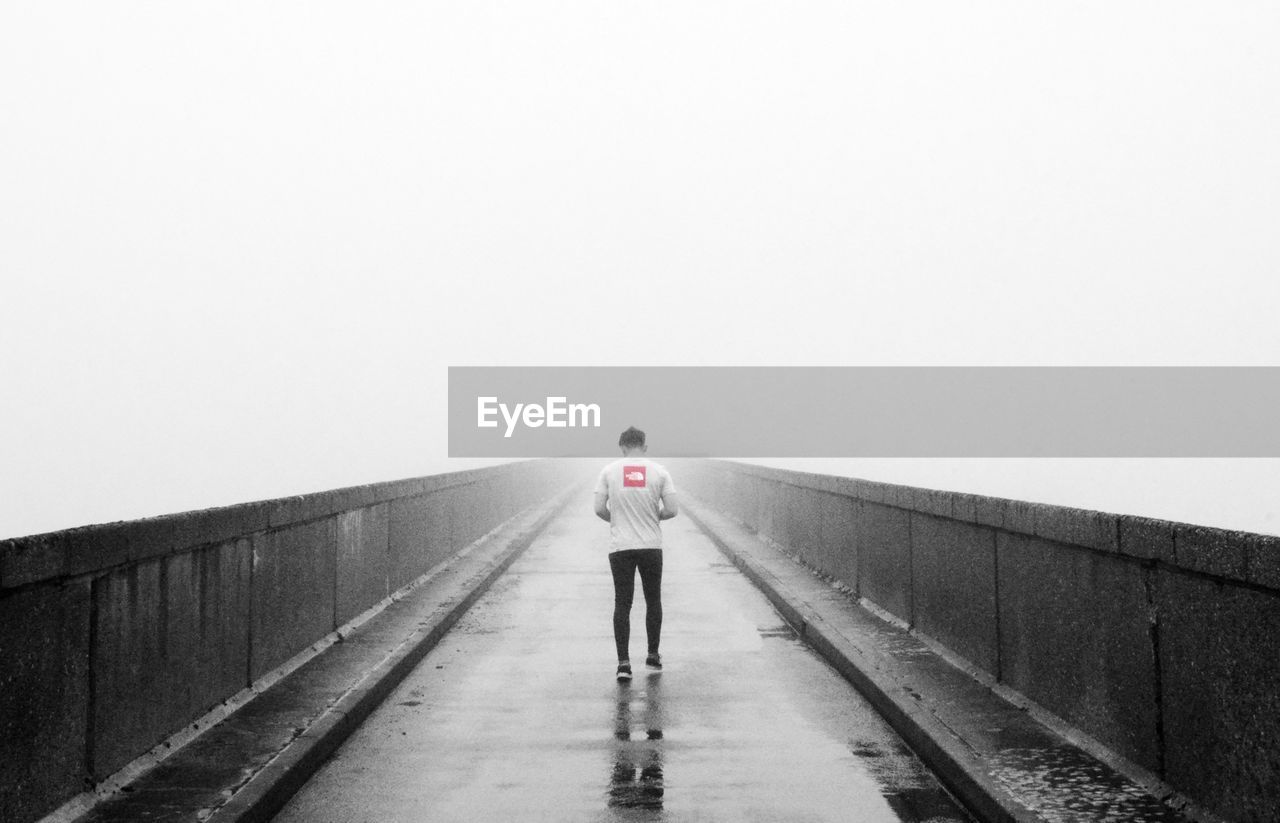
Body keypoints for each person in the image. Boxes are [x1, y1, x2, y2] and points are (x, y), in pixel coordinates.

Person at [594, 426, 679, 681]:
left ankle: (623, 664)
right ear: (645, 446)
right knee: (653, 600)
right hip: (651, 545)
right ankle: (653, 656)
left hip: (620, 547)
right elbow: (672, 510)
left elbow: (598, 508)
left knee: (623, 602)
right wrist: (655, 517)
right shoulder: (660, 472)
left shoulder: (609, 471)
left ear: (621, 447)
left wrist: (616, 520)